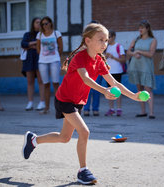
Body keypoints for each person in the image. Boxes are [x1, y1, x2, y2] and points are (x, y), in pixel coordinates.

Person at [22, 23, 142, 185]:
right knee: (84, 132)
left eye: (106, 40)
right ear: (88, 40)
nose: (104, 44)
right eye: (100, 40)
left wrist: (134, 96)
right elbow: (86, 79)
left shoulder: (99, 60)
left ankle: (33, 140)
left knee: (64, 137)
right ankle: (83, 171)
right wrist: (104, 91)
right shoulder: (80, 58)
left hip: (77, 101)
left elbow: (114, 82)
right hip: (65, 99)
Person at [127, 20, 157, 119]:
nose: (140, 29)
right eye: (139, 27)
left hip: (146, 67)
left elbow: (151, 54)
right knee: (139, 89)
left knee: (148, 89)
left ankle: (151, 112)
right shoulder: (136, 39)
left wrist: (140, 51)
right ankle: (143, 111)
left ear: (147, 29)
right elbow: (129, 52)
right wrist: (134, 53)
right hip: (135, 67)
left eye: (142, 27)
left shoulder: (152, 40)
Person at [36, 16, 63, 114]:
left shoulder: (56, 33)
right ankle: (46, 107)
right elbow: (38, 48)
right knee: (46, 84)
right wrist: (43, 56)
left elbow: (61, 47)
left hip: (54, 61)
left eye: (46, 23)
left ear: (51, 23)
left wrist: (56, 57)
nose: (45, 26)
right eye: (43, 24)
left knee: (56, 84)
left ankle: (59, 108)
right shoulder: (39, 35)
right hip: (42, 62)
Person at [21, 17, 45, 111]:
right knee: (30, 81)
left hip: (40, 59)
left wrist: (30, 45)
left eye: (40, 23)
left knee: (40, 81)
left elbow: (44, 45)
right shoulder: (27, 34)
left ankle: (42, 102)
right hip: (29, 59)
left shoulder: (43, 34)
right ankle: (30, 102)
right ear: (33, 24)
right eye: (37, 22)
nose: (39, 24)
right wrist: (35, 43)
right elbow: (23, 44)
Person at [104, 30, 126, 116]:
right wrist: (105, 56)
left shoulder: (119, 46)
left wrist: (113, 57)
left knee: (118, 90)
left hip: (117, 71)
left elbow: (124, 59)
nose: (107, 39)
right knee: (110, 90)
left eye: (109, 37)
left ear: (113, 37)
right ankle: (111, 109)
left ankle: (119, 108)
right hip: (108, 72)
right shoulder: (106, 47)